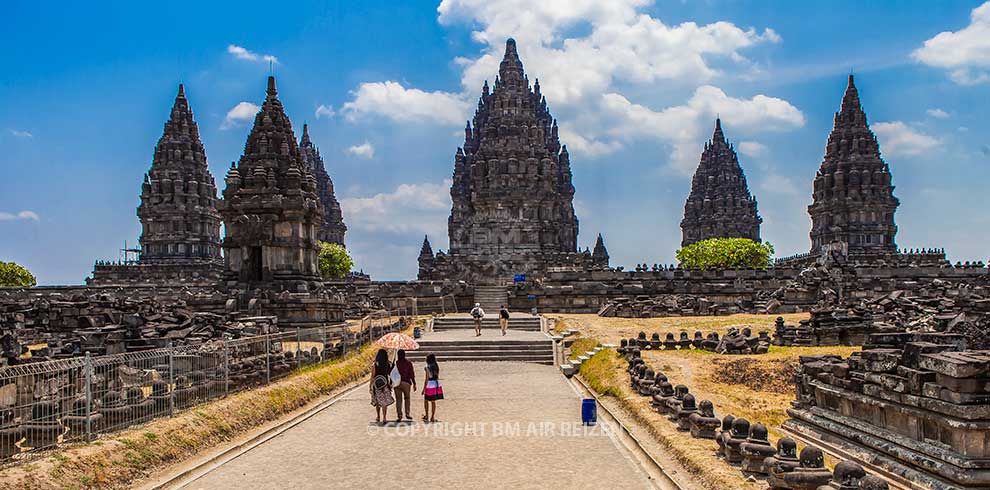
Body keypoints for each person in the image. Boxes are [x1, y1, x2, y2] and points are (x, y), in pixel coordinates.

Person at [369, 348, 394, 424]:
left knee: (377, 401)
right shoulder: (388, 364)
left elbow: (372, 376)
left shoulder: (375, 364)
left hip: (376, 385)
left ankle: (378, 416)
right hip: (385, 384)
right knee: (384, 402)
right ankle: (384, 417)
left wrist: (370, 386)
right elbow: (391, 374)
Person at [393, 349, 416, 421]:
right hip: (406, 383)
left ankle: (399, 415)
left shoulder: (396, 363)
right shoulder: (408, 363)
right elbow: (412, 374)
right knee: (407, 398)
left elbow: (392, 374)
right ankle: (407, 413)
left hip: (397, 383)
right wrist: (414, 383)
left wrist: (391, 383)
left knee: (398, 400)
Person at [421, 353, 443, 423]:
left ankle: (427, 415)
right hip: (436, 384)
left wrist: (423, 389)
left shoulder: (427, 368)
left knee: (426, 400)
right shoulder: (436, 367)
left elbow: (426, 379)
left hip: (429, 385)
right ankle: (432, 417)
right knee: (433, 402)